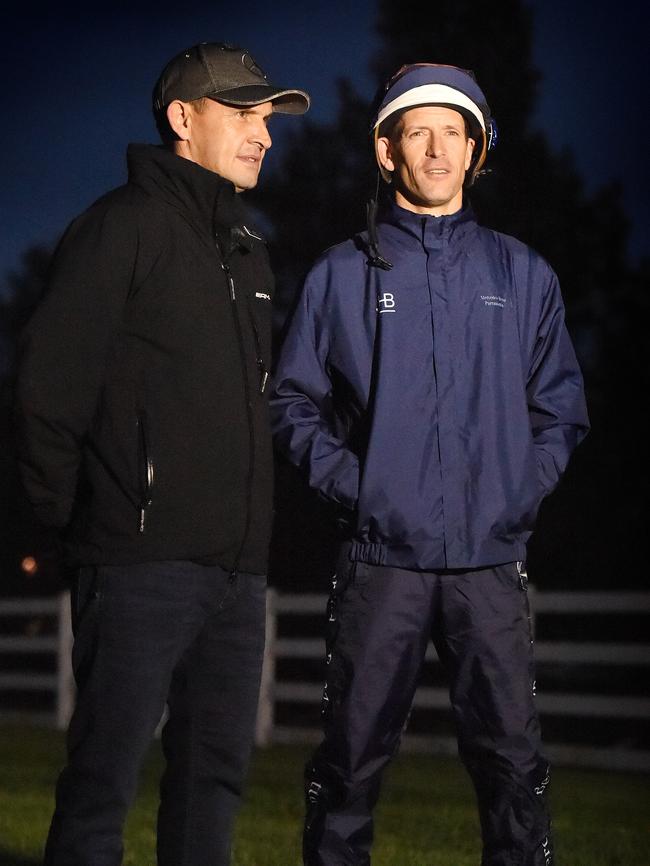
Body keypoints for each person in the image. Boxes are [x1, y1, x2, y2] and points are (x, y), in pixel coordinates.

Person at [271, 63, 588, 866]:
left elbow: (561, 410)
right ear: (388, 151)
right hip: (383, 564)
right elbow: (293, 404)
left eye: (455, 132)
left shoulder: (522, 275)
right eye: (418, 132)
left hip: (490, 565)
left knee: (514, 769)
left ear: (476, 151)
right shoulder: (343, 275)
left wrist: (514, 494)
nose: (437, 148)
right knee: (348, 767)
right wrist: (363, 492)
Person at [15, 42, 309, 866]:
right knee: (103, 779)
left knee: (213, 780)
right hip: (137, 563)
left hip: (236, 574)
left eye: (268, 119)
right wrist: (82, 525)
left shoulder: (250, 252)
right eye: (244, 115)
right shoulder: (121, 229)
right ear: (184, 118)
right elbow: (47, 388)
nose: (264, 135)